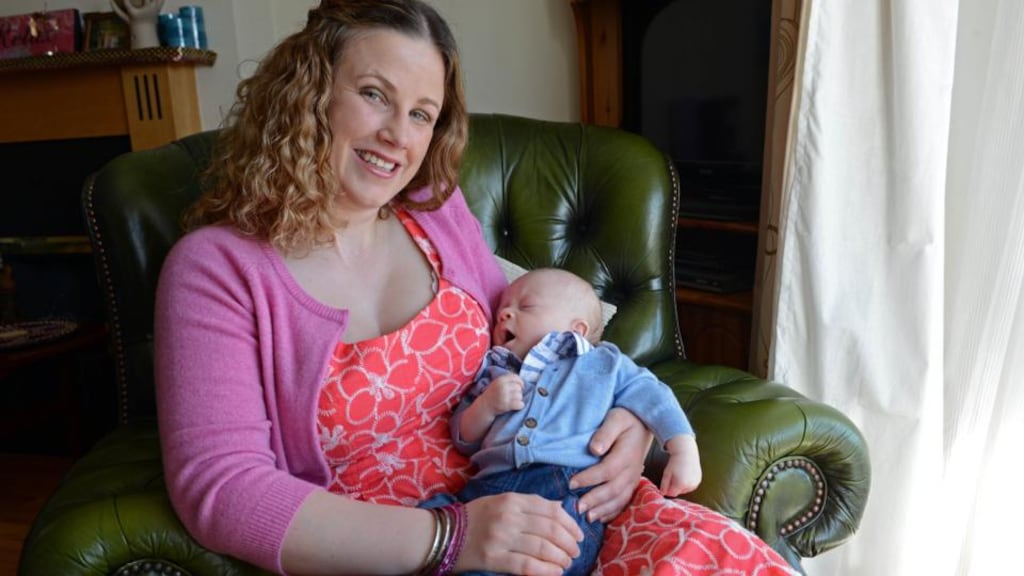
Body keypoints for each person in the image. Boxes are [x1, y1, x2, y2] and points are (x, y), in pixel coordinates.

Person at [154, 1, 653, 575]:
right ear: (307, 92)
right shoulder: (216, 269)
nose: (396, 135)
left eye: (421, 114)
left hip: (537, 508)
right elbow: (221, 490)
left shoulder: (435, 209)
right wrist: (451, 535)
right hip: (395, 553)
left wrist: (628, 420)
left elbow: (531, 343)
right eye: (373, 95)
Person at [422, 268, 703, 575]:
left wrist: (682, 448)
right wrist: (486, 407)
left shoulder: (604, 362)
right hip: (488, 487)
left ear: (577, 329)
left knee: (538, 555)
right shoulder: (494, 371)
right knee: (433, 519)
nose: (504, 314)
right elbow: (463, 437)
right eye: (502, 309)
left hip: (566, 490)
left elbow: (654, 396)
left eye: (524, 307)